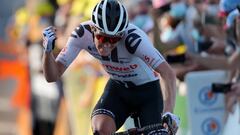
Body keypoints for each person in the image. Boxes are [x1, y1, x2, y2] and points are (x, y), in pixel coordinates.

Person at [41, 0, 180, 134]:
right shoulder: (82, 34)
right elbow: (52, 76)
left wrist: (169, 112)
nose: (107, 44)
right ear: (93, 29)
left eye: (113, 39)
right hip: (118, 88)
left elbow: (168, 73)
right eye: (103, 38)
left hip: (147, 92)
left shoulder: (133, 39)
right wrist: (47, 52)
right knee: (101, 129)